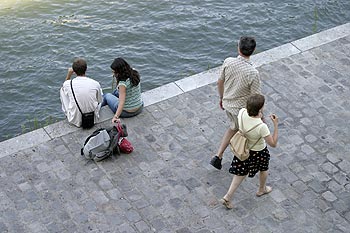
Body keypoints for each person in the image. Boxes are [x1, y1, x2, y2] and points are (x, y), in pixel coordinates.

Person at [210, 36, 261, 170]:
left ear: (238, 48)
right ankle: (240, 160)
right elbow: (255, 98)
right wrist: (260, 115)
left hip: (228, 105)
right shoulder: (253, 73)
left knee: (233, 128)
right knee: (246, 134)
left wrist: (221, 98)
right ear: (253, 50)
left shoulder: (228, 62)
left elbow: (219, 82)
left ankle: (218, 156)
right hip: (242, 111)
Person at [220, 94, 279, 209]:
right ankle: (262, 189)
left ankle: (227, 196)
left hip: (244, 150)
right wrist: (276, 125)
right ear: (260, 108)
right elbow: (273, 144)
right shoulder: (261, 126)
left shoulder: (242, 112)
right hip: (258, 152)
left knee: (240, 173)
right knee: (263, 169)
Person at [60, 58, 103, 127]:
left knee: (62, 90)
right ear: (86, 69)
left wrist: (69, 74)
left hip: (75, 120)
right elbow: (99, 100)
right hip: (93, 119)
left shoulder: (69, 84)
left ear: (74, 71)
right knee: (99, 90)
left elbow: (64, 85)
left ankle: (68, 113)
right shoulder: (95, 83)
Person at [101, 58, 143, 123]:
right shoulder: (134, 73)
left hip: (127, 112)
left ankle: (96, 108)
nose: (113, 73)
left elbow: (121, 102)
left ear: (118, 71)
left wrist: (116, 117)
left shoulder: (122, 84)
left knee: (107, 95)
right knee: (115, 92)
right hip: (139, 107)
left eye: (114, 72)